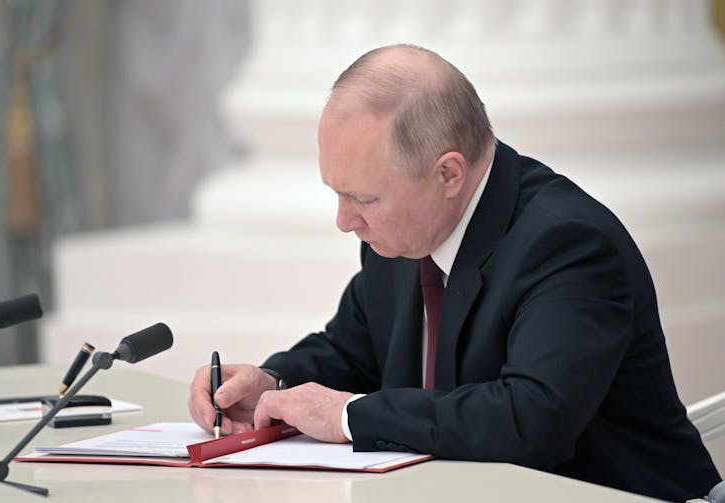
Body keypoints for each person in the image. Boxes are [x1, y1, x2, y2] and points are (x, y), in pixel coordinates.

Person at [188, 44, 721, 501]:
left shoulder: (569, 244)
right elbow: (352, 352)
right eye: (337, 193)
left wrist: (351, 416)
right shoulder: (399, 235)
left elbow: (530, 420)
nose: (344, 220)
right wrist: (270, 385)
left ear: (447, 173)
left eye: (363, 198)